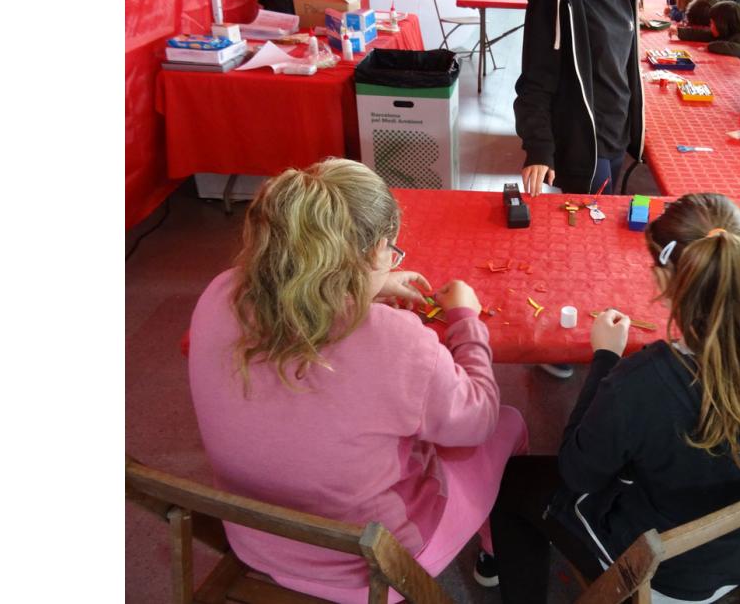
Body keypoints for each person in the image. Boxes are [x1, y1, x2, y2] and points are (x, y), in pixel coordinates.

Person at [187, 158, 528, 603]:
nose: (392, 261)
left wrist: (361, 287)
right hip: (371, 564)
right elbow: (478, 416)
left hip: (255, 535)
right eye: (391, 252)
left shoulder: (220, 292)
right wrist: (467, 319)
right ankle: (493, 554)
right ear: (373, 252)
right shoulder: (398, 342)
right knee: (508, 422)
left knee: (407, 420)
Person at [488, 193, 740, 602]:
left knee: (513, 482)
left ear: (665, 282)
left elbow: (577, 473)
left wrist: (605, 359)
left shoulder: (640, 382)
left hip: (665, 573)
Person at [514, 0, 651, 200]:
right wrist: (538, 147)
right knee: (589, 234)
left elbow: (623, 66)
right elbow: (535, 81)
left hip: (618, 136)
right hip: (583, 144)